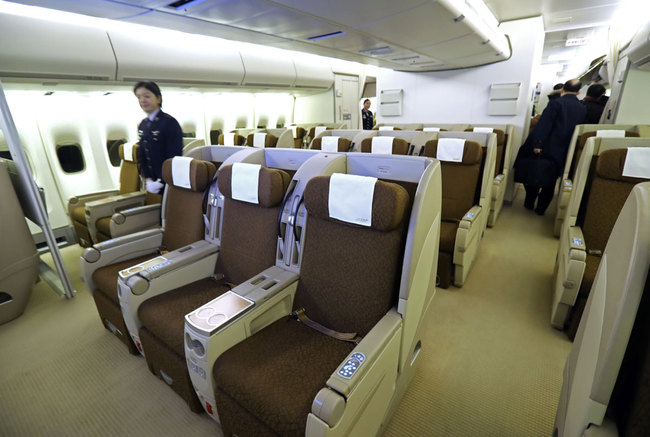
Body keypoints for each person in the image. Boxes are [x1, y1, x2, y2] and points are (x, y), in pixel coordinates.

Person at [514, 79, 587, 215]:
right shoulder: (582, 108)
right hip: (564, 149)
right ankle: (541, 209)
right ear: (578, 92)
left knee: (534, 173)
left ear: (563, 89)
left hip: (547, 146)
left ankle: (529, 202)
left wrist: (537, 144)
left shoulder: (556, 104)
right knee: (551, 181)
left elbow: (544, 125)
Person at [133, 81, 183, 194]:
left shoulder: (169, 122)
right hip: (152, 183)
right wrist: (148, 180)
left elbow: (173, 157)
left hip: (169, 183)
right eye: (139, 97)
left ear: (158, 99)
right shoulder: (143, 125)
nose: (142, 100)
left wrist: (161, 180)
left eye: (146, 96)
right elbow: (142, 155)